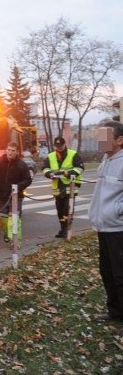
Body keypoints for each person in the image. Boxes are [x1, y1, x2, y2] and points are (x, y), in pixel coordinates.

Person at [88, 120, 123, 326]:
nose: (100, 140)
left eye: (105, 136)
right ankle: (115, 311)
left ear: (119, 140)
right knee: (107, 271)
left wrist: (117, 210)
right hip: (104, 226)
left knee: (120, 274)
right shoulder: (106, 159)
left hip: (118, 228)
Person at [0, 141, 32, 246]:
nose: (10, 153)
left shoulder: (22, 165)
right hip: (2, 197)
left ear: (17, 152)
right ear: (6, 150)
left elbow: (28, 180)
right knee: (0, 218)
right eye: (8, 150)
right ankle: (7, 235)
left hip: (16, 197)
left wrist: (18, 187)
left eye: (13, 151)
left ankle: (16, 242)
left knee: (14, 220)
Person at [42, 136, 84, 238]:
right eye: (57, 146)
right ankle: (62, 228)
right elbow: (44, 168)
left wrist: (68, 173)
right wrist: (49, 174)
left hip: (70, 185)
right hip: (57, 186)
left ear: (65, 144)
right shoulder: (51, 156)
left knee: (67, 208)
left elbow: (80, 168)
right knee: (60, 210)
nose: (59, 148)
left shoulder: (73, 154)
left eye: (60, 146)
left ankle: (67, 230)